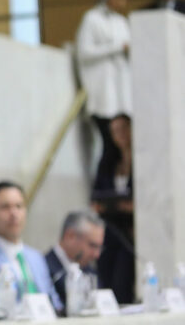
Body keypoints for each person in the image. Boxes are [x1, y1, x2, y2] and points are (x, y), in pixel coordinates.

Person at [0, 181, 62, 318]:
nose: (14, 213)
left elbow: (55, 305)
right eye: (5, 207)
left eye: (19, 206)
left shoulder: (36, 257)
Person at [76, 0, 132, 172]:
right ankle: (101, 196)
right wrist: (117, 46)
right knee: (110, 146)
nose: (122, 1)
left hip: (121, 94)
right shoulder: (91, 19)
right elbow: (85, 53)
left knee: (121, 148)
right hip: (103, 94)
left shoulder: (121, 22)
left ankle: (113, 194)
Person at [92, 114, 134, 305]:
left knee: (123, 280)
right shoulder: (108, 161)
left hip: (131, 232)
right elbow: (96, 194)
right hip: (110, 228)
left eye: (123, 129)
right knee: (106, 277)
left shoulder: (141, 161)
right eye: (115, 131)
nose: (120, 135)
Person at [45, 211, 104, 309]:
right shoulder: (44, 268)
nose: (97, 254)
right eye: (92, 246)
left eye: (99, 248)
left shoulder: (90, 272)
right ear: (70, 236)